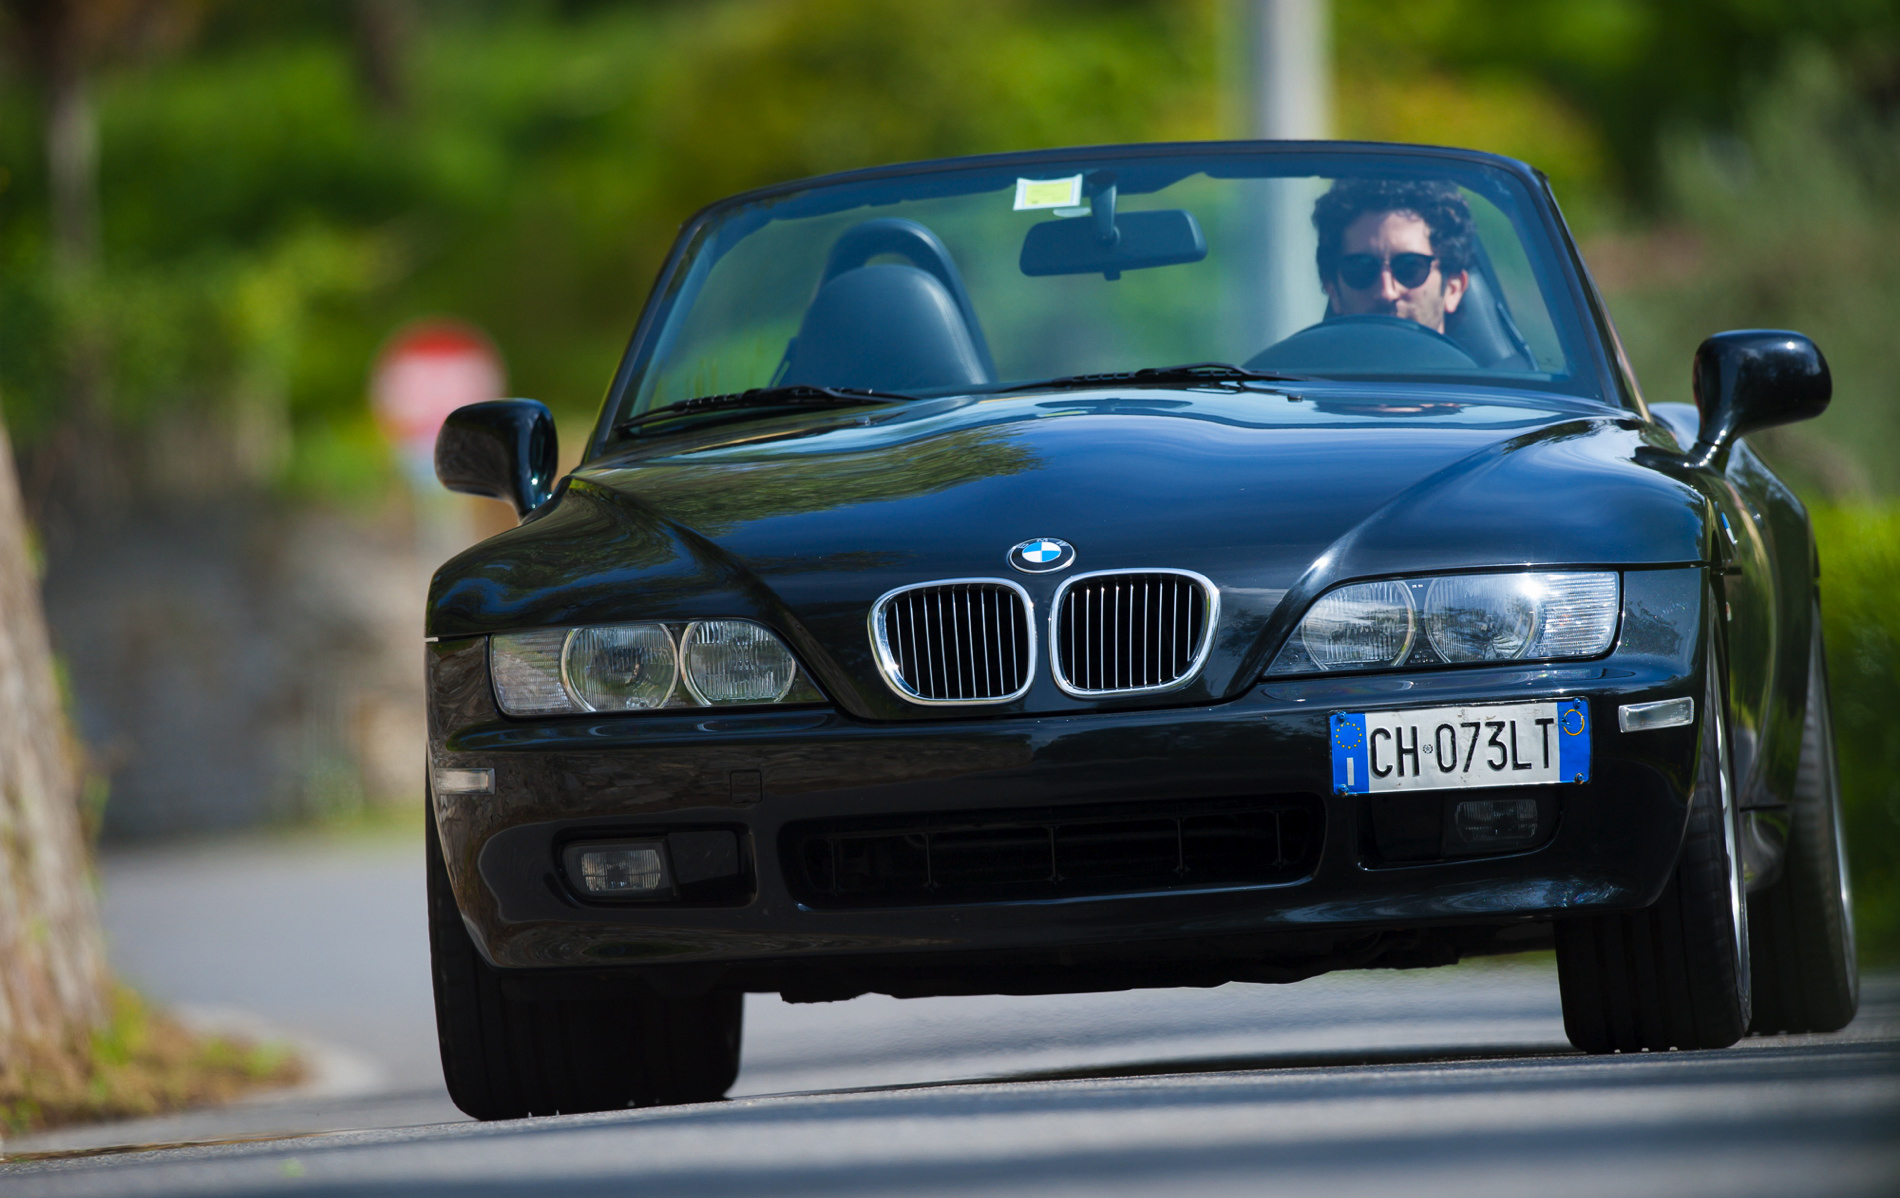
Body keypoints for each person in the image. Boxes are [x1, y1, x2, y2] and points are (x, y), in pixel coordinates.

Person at [1311, 178, 1475, 335]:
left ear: (1453, 288)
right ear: (1332, 289)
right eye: (1361, 269)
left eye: (1409, 268)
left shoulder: (1493, 365)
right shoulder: (1292, 364)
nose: (1386, 292)